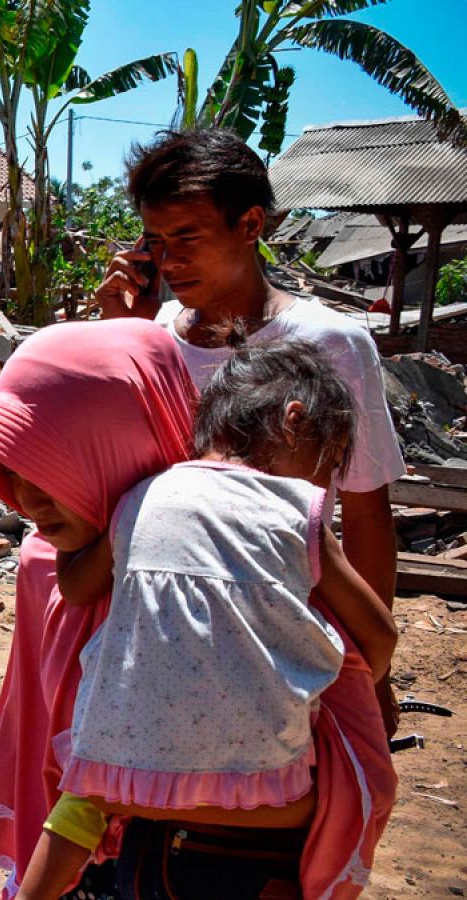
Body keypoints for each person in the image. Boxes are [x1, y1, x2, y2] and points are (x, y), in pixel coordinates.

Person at [17, 341, 398, 899]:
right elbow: (381, 638)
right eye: (328, 463)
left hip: (118, 782)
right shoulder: (300, 511)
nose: (324, 488)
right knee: (360, 782)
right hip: (268, 798)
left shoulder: (141, 499)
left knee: (83, 789)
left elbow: (75, 589)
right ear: (295, 421)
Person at [96, 128, 406, 732]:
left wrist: (374, 672)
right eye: (156, 242)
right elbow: (107, 492)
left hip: (286, 646)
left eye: (188, 237)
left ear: (251, 224)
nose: (170, 260)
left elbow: (368, 510)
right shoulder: (148, 334)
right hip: (153, 637)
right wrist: (119, 341)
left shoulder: (331, 343)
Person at [0, 318, 197, 900]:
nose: (25, 499)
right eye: (16, 470)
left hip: (160, 864)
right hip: (64, 858)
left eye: (51, 468)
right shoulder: (42, 563)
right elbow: (21, 718)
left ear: (122, 444)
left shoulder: (188, 585)